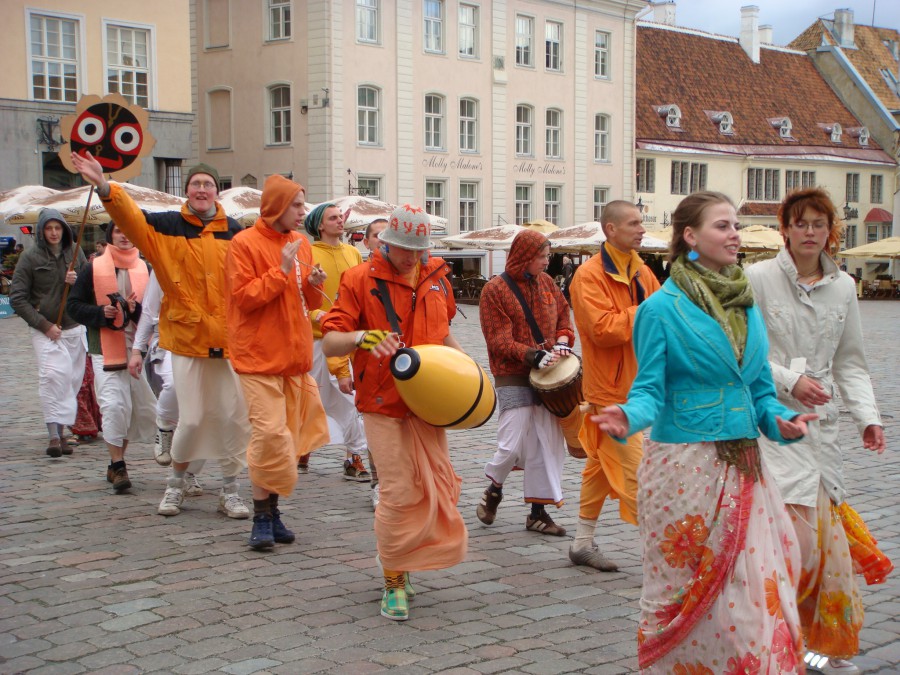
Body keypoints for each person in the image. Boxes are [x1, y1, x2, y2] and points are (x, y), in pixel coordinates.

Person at [594, 191, 816, 673]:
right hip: (685, 470)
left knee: (755, 594)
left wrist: (780, 422)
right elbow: (649, 388)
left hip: (745, 470)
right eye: (722, 226)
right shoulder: (661, 309)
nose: (735, 234)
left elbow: (758, 388)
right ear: (690, 237)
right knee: (684, 591)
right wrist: (628, 417)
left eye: (736, 225)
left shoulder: (745, 304)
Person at [747, 188, 891, 674]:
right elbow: (743, 356)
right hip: (774, 423)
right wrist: (791, 380)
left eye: (818, 224)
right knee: (794, 542)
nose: (810, 232)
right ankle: (777, 640)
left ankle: (818, 644)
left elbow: (851, 361)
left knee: (823, 549)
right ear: (785, 228)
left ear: (831, 230)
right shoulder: (758, 280)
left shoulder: (844, 287)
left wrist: (868, 417)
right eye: (800, 223)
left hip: (823, 435)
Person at [71, 151, 251, 520]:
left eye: (208, 184)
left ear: (218, 191)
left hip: (231, 342)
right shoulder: (165, 226)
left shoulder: (235, 232)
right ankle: (176, 484)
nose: (202, 189)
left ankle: (231, 490)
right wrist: (106, 187)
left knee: (234, 418)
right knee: (195, 418)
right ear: (187, 191)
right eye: (195, 184)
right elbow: (130, 220)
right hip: (186, 340)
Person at [321, 204, 467, 622]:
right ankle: (394, 581)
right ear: (384, 243)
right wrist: (363, 337)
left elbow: (444, 332)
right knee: (399, 492)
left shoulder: (436, 276)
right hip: (382, 402)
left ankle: (405, 558)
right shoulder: (357, 279)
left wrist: (469, 370)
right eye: (402, 249)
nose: (410, 258)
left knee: (435, 487)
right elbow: (331, 342)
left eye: (417, 250)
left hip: (431, 400)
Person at [225, 174, 330, 550]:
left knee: (289, 438)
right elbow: (244, 298)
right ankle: (261, 517)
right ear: (276, 207)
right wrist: (281, 271)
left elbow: (310, 304)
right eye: (297, 205)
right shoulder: (243, 243)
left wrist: (312, 283)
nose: (304, 212)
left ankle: (274, 513)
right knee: (269, 436)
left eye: (303, 204)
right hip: (257, 357)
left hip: (294, 357)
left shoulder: (301, 244)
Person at [567, 200, 660, 571]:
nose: (642, 229)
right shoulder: (588, 276)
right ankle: (669, 554)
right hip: (607, 394)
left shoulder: (642, 271)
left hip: (637, 390)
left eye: (642, 222)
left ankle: (581, 542)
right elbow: (602, 330)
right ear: (610, 229)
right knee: (641, 473)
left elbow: (661, 323)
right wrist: (649, 313)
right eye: (635, 223)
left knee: (599, 471)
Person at [476, 230, 575, 536]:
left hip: (549, 377)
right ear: (526, 257)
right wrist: (534, 356)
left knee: (546, 444)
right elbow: (498, 340)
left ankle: (538, 513)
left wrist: (562, 343)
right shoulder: (494, 290)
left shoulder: (547, 283)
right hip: (513, 374)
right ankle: (494, 488)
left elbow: (563, 314)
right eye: (543, 257)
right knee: (511, 443)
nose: (548, 262)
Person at [67, 223, 157, 491]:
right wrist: (101, 313)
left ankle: (116, 462)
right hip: (105, 348)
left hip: (139, 349)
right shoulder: (92, 268)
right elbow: (73, 306)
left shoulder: (146, 269)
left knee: (132, 410)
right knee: (113, 406)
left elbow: (153, 312)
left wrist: (135, 309)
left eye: (128, 230)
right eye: (119, 230)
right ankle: (118, 465)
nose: (125, 235)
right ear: (110, 236)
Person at [303, 203, 372, 486]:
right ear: (320, 225)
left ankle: (354, 455)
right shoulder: (306, 253)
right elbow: (298, 296)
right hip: (315, 338)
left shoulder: (353, 252)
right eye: (333, 218)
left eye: (340, 218)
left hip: (346, 338)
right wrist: (314, 313)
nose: (339, 222)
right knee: (307, 397)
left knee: (350, 398)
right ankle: (302, 445)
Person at [9, 208, 87, 457]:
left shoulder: (76, 253)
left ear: (64, 229)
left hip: (74, 328)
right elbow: (17, 298)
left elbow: (90, 286)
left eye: (58, 228)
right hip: (45, 330)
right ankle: (53, 435)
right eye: (49, 228)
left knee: (71, 382)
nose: (54, 232)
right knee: (52, 378)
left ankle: (63, 431)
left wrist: (79, 280)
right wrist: (44, 325)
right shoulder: (30, 258)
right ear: (41, 231)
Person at [128, 270, 204, 496]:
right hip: (168, 340)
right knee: (173, 385)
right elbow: (149, 310)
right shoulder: (164, 263)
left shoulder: (212, 257)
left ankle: (189, 473)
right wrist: (136, 350)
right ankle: (164, 426)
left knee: (200, 415)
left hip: (205, 342)